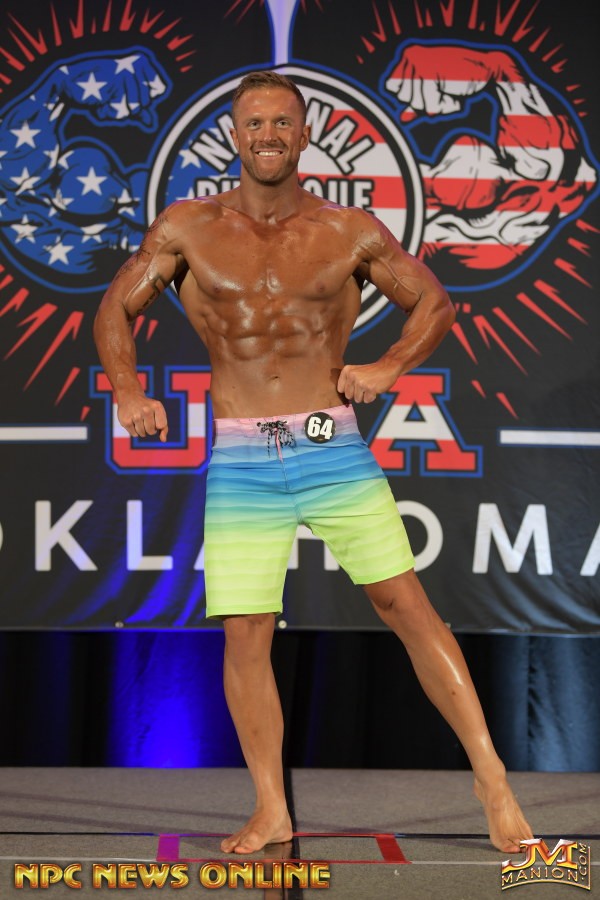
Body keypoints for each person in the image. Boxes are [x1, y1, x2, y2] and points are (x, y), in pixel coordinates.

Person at [94, 70, 533, 856]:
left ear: (304, 135)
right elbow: (114, 308)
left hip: (326, 436)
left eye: (281, 123)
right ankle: (272, 809)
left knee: (405, 604)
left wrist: (388, 367)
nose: (267, 135)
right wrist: (127, 388)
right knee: (246, 633)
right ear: (235, 135)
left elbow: (434, 302)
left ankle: (492, 778)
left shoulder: (347, 230)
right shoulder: (188, 228)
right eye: (254, 123)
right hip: (241, 449)